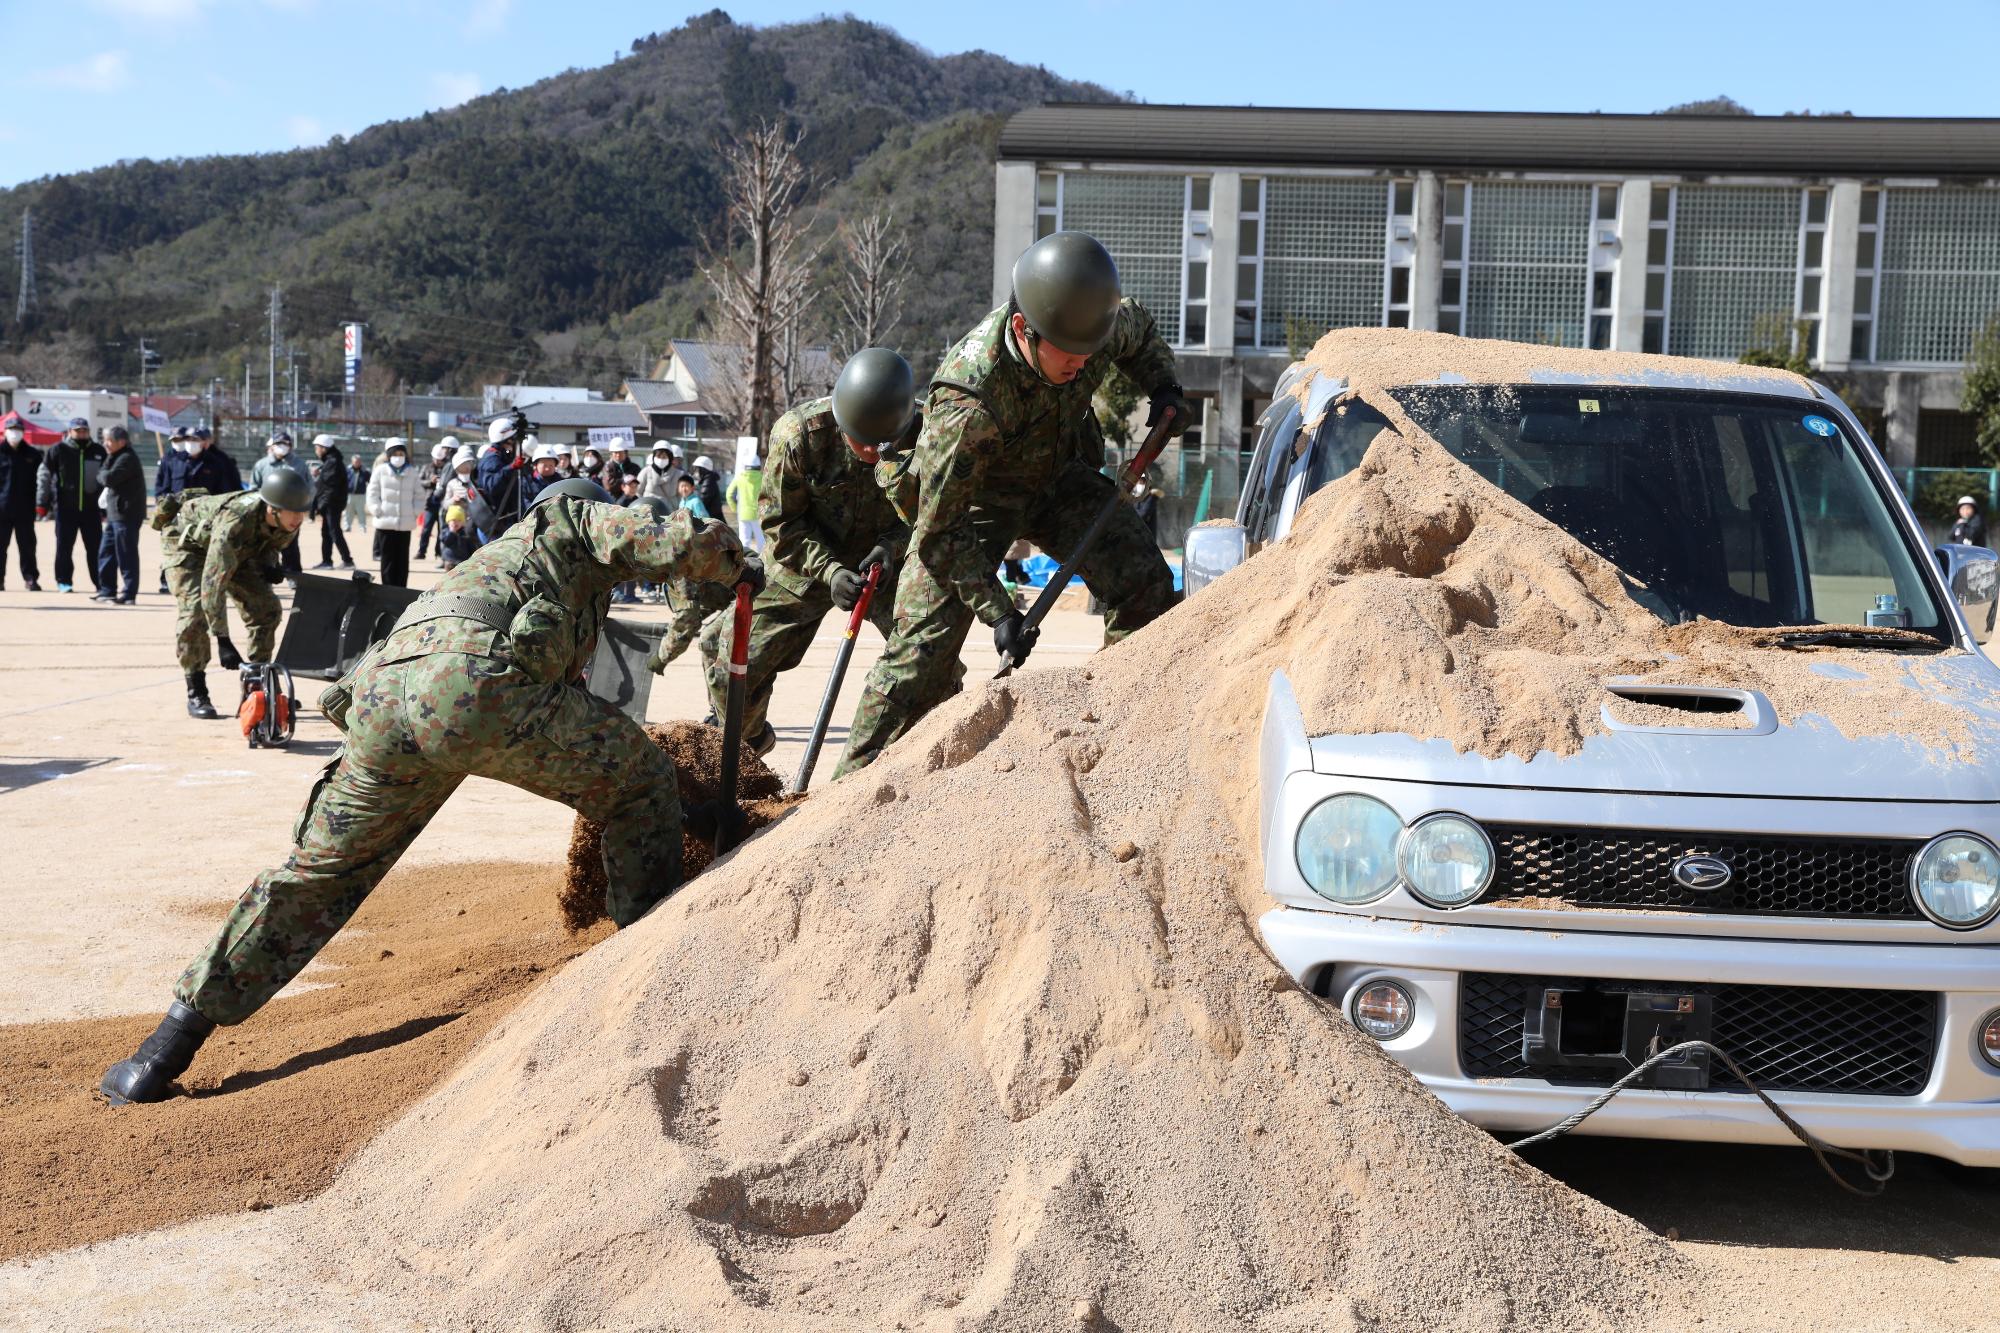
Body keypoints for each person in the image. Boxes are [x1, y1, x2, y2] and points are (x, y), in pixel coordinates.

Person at [97, 481, 758, 1105]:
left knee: (317, 874)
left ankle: (162, 1050)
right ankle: (649, 975)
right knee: (640, 779)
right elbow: (671, 539)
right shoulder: (567, 521)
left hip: (382, 704)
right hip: (472, 692)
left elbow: (572, 742)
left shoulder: (493, 569)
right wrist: (737, 565)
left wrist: (682, 815)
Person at [835, 232, 1188, 778]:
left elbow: (1137, 330)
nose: (1081, 366)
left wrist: (1164, 386)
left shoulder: (1086, 322)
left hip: (1057, 481)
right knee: (919, 655)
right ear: (1024, 329)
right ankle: (849, 794)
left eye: (1088, 355)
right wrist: (999, 612)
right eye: (1068, 357)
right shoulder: (967, 399)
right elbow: (939, 530)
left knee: (1145, 582)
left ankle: (1120, 739)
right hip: (974, 506)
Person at [684, 349, 916, 759]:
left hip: (886, 565)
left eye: (882, 444)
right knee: (731, 658)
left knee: (931, 660)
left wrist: (891, 545)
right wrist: (830, 572)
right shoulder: (800, 435)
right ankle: (749, 743)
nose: (870, 451)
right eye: (860, 440)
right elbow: (781, 525)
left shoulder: (928, 430)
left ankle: (922, 764)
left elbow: (932, 508)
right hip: (805, 561)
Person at [160, 470, 311, 720]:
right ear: (273, 508)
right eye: (293, 512)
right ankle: (196, 689)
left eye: (301, 511)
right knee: (194, 613)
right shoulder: (235, 521)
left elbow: (269, 545)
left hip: (238, 550)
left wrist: (268, 565)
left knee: (267, 610)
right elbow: (213, 583)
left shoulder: (289, 522)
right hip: (189, 547)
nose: (298, 518)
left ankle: (258, 685)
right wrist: (223, 639)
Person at [37, 417, 106, 594]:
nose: (81, 433)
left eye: (84, 430)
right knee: (64, 547)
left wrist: (105, 508)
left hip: (91, 510)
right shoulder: (58, 450)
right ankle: (64, 581)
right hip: (65, 509)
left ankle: (100, 583)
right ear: (70, 432)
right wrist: (42, 502)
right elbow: (44, 476)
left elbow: (106, 480)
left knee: (95, 548)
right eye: (77, 431)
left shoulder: (98, 451)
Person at [94, 426, 146, 603]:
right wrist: (103, 474)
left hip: (127, 514)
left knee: (126, 554)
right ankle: (107, 590)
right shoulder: (114, 456)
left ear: (121, 442)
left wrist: (102, 475)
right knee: (106, 552)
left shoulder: (127, 458)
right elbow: (103, 474)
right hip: (114, 513)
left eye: (109, 440)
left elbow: (108, 478)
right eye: (105, 440)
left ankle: (129, 594)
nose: (105, 444)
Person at [250, 434, 310, 582]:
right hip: (266, 515)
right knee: (263, 547)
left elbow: (309, 486)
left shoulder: (299, 465)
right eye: (278, 443)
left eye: (285, 444)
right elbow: (253, 488)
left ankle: (293, 577)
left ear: (291, 446)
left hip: (291, 512)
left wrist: (303, 505)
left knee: (291, 546)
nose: (282, 447)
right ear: (272, 446)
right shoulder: (262, 465)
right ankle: (263, 577)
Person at [366, 439, 424, 587]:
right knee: (387, 559)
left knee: (402, 559)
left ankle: (401, 590)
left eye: (401, 454)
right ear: (389, 455)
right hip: (385, 522)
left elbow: (419, 495)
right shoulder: (380, 470)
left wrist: (415, 512)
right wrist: (376, 509)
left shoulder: (412, 472)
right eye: (395, 454)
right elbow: (372, 493)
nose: (398, 457)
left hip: (405, 523)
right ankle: (388, 589)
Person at [0, 413, 45, 591]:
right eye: (11, 429)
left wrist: (41, 504)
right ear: (5, 431)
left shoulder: (33, 454)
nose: (15, 432)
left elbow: (41, 481)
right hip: (2, 510)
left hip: (25, 509)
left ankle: (30, 578)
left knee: (27, 547)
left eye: (18, 429)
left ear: (23, 432)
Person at [475, 413, 527, 533]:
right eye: (513, 439)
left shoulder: (501, 456)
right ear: (506, 439)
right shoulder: (492, 458)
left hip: (505, 517)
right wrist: (511, 468)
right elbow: (491, 486)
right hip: (497, 521)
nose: (515, 442)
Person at [309, 434, 355, 569]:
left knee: (334, 531)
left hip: (332, 504)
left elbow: (329, 487)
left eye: (317, 447)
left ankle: (347, 561)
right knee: (327, 532)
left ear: (324, 448)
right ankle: (327, 561)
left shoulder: (333, 462)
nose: (316, 450)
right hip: (331, 503)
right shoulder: (331, 461)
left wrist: (322, 504)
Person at [415, 441, 452, 562]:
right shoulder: (426, 468)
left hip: (443, 503)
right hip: (430, 504)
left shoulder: (448, 468)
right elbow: (418, 482)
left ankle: (439, 552)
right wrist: (430, 482)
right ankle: (421, 551)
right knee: (426, 529)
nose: (438, 461)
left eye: (440, 459)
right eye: (436, 459)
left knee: (442, 530)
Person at [181, 427, 242, 497]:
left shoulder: (219, 459)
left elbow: (228, 483)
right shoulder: (182, 459)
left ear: (210, 440)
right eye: (189, 439)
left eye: (196, 439)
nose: (191, 442)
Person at [726, 454, 765, 553]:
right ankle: (763, 561)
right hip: (759, 514)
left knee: (744, 541)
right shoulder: (763, 478)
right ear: (758, 466)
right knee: (761, 541)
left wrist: (735, 509)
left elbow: (729, 494)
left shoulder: (739, 477)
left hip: (743, 513)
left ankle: (745, 561)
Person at [436, 503, 478, 571]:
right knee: (450, 574)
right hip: (450, 560)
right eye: (453, 520)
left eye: (459, 520)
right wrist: (452, 532)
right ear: (448, 522)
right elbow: (446, 541)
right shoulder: (445, 531)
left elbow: (471, 545)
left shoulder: (465, 532)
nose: (456, 522)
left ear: (463, 523)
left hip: (462, 560)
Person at [691, 454, 725, 520]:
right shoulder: (708, 480)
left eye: (697, 469)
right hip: (713, 517)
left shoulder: (708, 482)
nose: (696, 471)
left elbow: (702, 502)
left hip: (712, 518)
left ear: (703, 469)